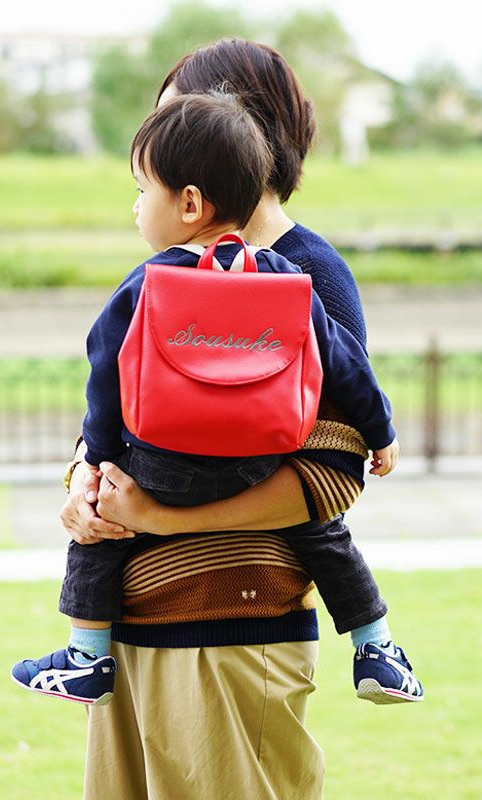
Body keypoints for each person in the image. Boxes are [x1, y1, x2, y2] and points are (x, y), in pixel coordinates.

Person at [58, 38, 422, 800]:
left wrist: (160, 519)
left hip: (232, 630)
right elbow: (121, 416)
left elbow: (327, 479)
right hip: (130, 630)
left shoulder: (309, 274)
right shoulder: (170, 269)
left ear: (235, 129)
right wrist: (82, 488)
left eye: (175, 123)